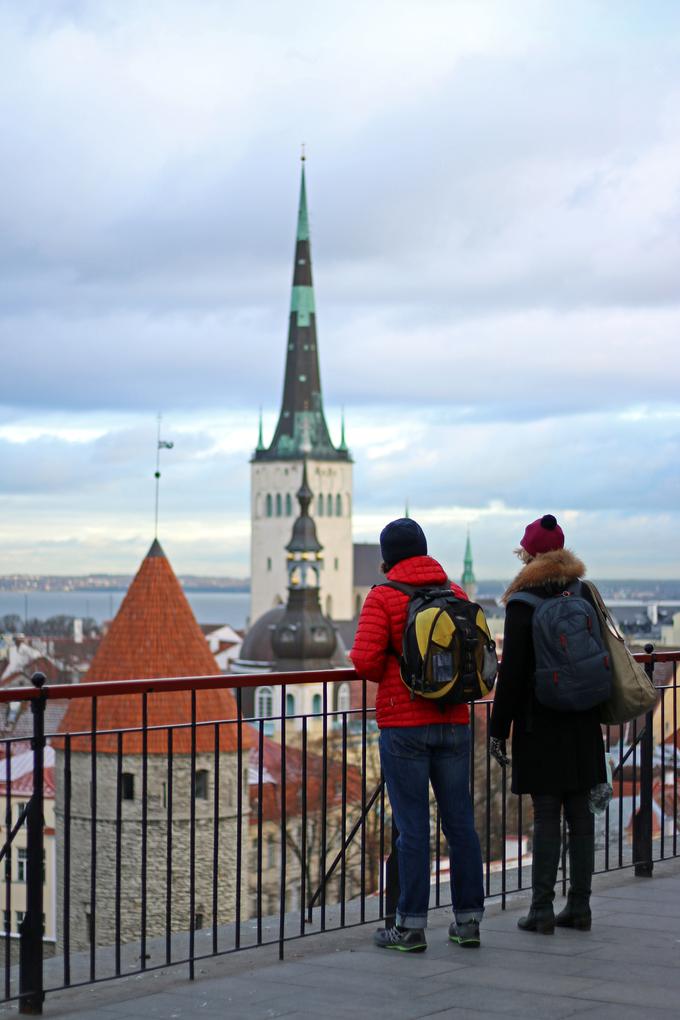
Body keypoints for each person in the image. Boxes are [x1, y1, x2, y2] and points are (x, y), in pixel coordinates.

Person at [350, 518, 485, 953]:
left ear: (387, 557)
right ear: (424, 551)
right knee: (460, 823)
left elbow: (366, 664)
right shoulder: (456, 594)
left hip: (404, 726)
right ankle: (467, 921)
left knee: (412, 828)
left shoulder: (384, 597)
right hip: (454, 721)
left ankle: (409, 927)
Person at [489, 514, 606, 934]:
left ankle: (540, 908)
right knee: (581, 813)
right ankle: (580, 906)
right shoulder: (584, 592)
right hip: (584, 718)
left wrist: (498, 728)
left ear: (529, 555)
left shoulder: (523, 602)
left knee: (546, 815)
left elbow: (514, 674)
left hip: (541, 721)